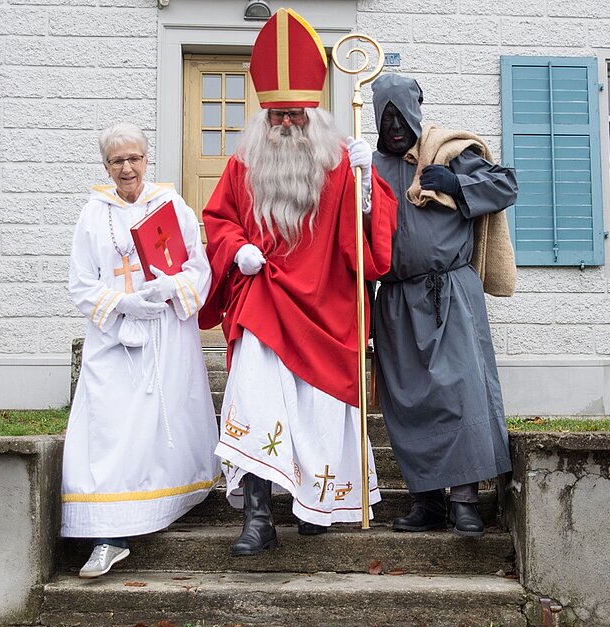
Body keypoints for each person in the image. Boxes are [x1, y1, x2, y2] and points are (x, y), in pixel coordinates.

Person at [198, 9, 398, 555]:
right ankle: (259, 517)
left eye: (296, 115)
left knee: (318, 413)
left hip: (329, 308)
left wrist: (367, 185)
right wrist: (235, 248)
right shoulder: (243, 165)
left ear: (313, 113)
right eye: (277, 116)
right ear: (264, 117)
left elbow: (369, 248)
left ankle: (317, 505)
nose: (286, 125)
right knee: (257, 403)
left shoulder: (341, 163)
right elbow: (217, 220)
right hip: (264, 303)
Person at [62, 122, 220, 577]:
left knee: (162, 419)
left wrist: (172, 287)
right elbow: (80, 282)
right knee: (109, 425)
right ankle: (107, 532)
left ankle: (167, 501)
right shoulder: (93, 214)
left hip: (167, 331)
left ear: (147, 160)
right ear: (105, 166)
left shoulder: (170, 204)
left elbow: (198, 267)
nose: (127, 168)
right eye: (117, 161)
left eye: (134, 158)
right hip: (116, 337)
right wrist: (123, 303)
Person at [369, 74, 518, 538]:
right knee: (407, 402)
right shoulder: (368, 166)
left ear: (415, 111)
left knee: (460, 394)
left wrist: (456, 183)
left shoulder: (450, 152)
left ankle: (465, 501)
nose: (394, 125)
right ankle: (426, 501)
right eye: (385, 116)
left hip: (449, 293)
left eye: (400, 114)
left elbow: (506, 186)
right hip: (394, 300)